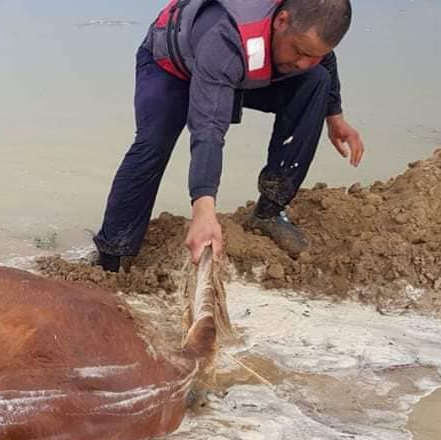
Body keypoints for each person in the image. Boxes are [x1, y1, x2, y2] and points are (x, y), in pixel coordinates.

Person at [93, 0, 364, 271]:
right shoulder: (224, 36)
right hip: (173, 68)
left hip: (237, 69)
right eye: (300, 51)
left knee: (316, 80)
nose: (303, 62)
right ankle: (112, 255)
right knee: (152, 145)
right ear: (281, 20)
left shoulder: (305, 32)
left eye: (313, 55)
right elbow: (208, 128)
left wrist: (335, 117)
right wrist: (204, 210)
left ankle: (269, 211)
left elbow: (324, 59)